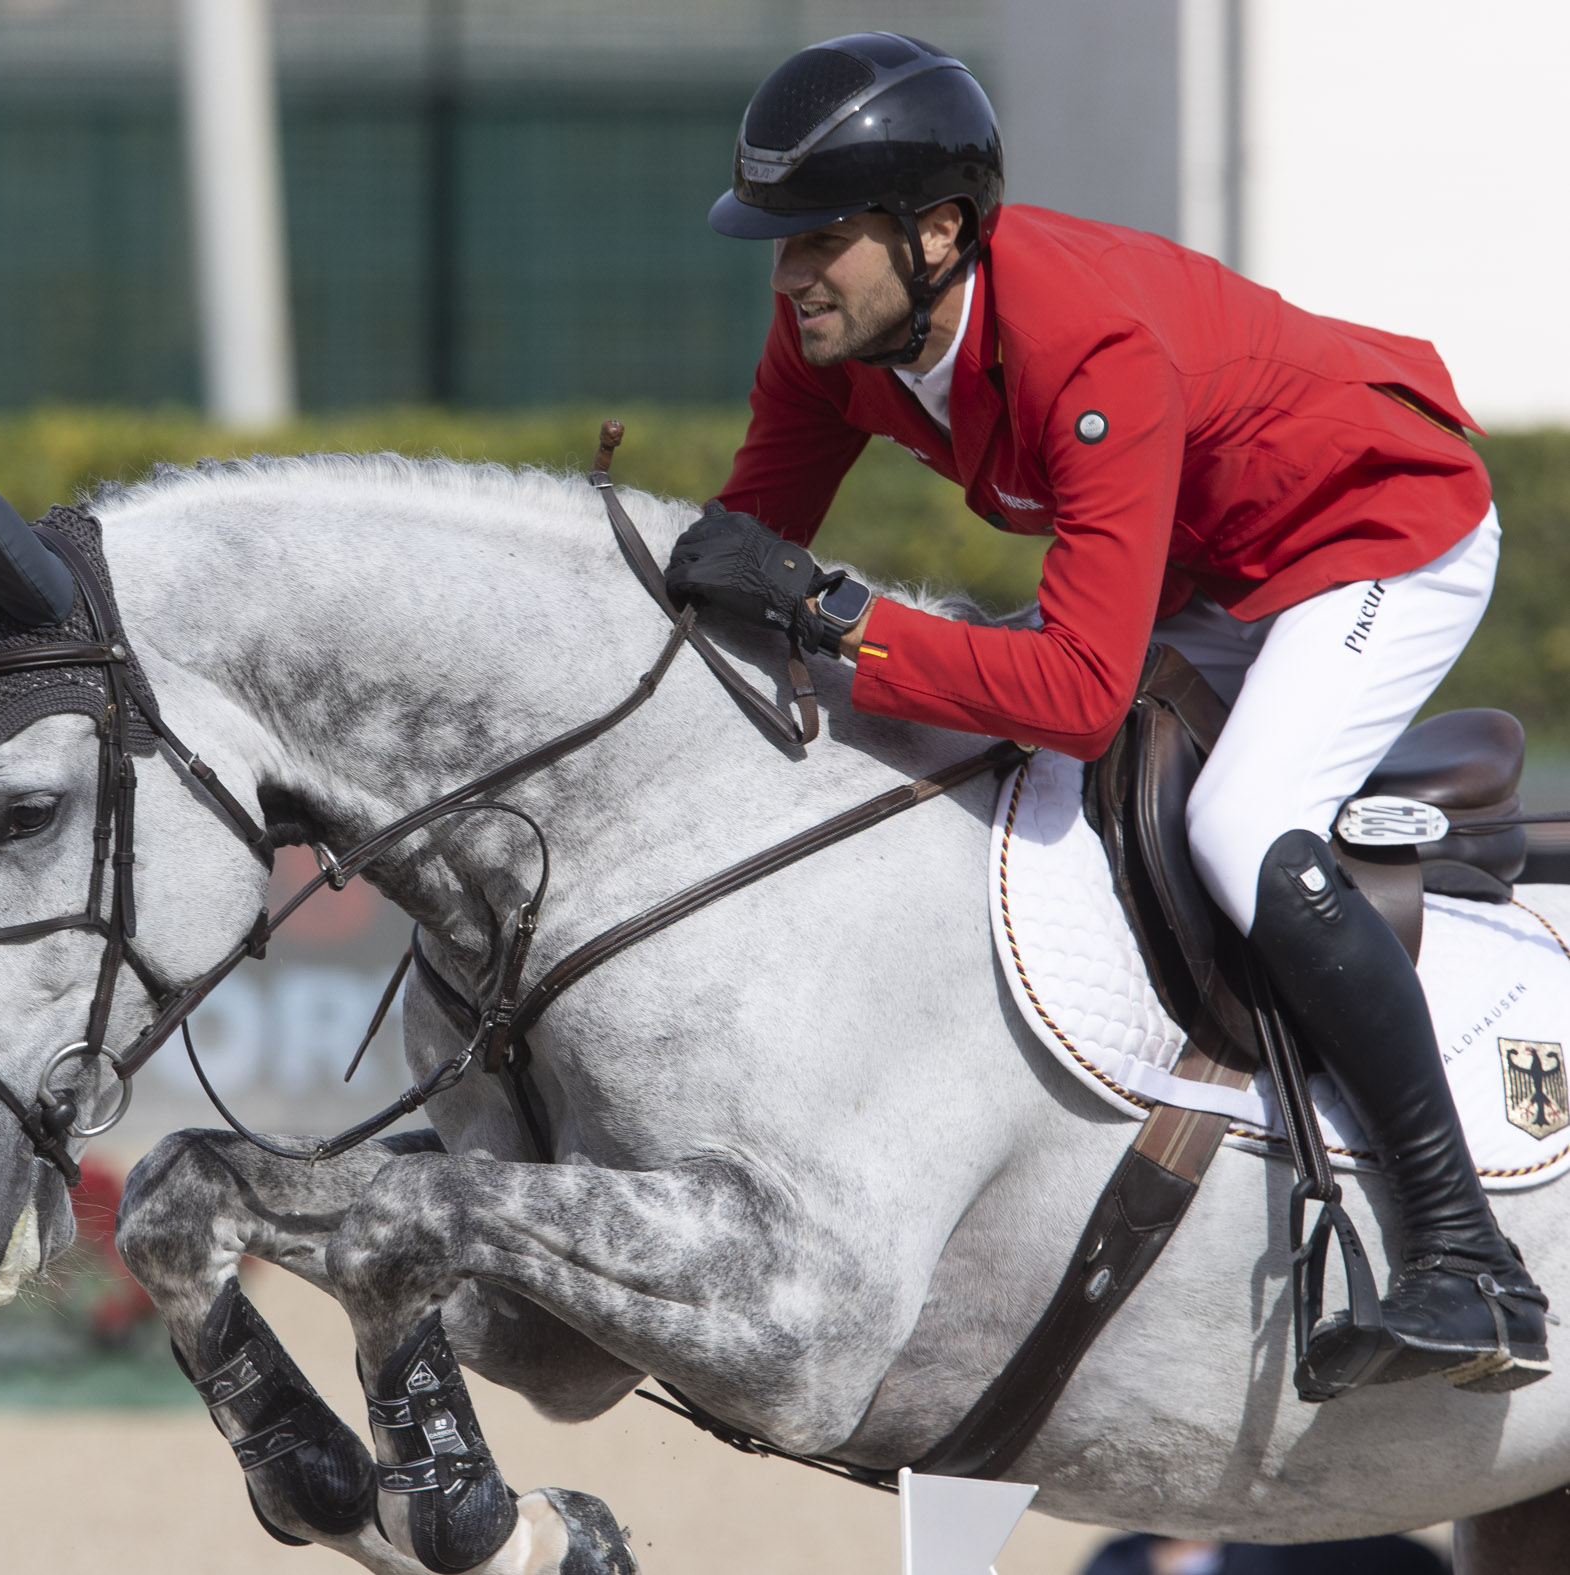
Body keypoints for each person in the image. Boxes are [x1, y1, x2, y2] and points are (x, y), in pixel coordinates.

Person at [661, 30, 1547, 1398]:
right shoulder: (827, 338)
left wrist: (834, 614)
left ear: (938, 232)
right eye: (775, 239)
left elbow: (1077, 697)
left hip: (1377, 532)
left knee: (1240, 818)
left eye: (815, 239)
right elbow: (749, 549)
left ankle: (1466, 1260)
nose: (783, 277)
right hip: (1214, 563)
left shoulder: (1088, 345)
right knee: (927, 739)